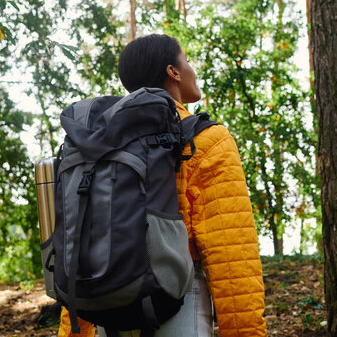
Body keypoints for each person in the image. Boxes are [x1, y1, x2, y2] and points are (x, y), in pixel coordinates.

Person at [58, 34, 267, 337]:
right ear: (174, 72)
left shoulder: (102, 142)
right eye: (187, 60)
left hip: (107, 300)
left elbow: (81, 239)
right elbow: (232, 251)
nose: (192, 69)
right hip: (177, 297)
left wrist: (74, 329)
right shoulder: (207, 139)